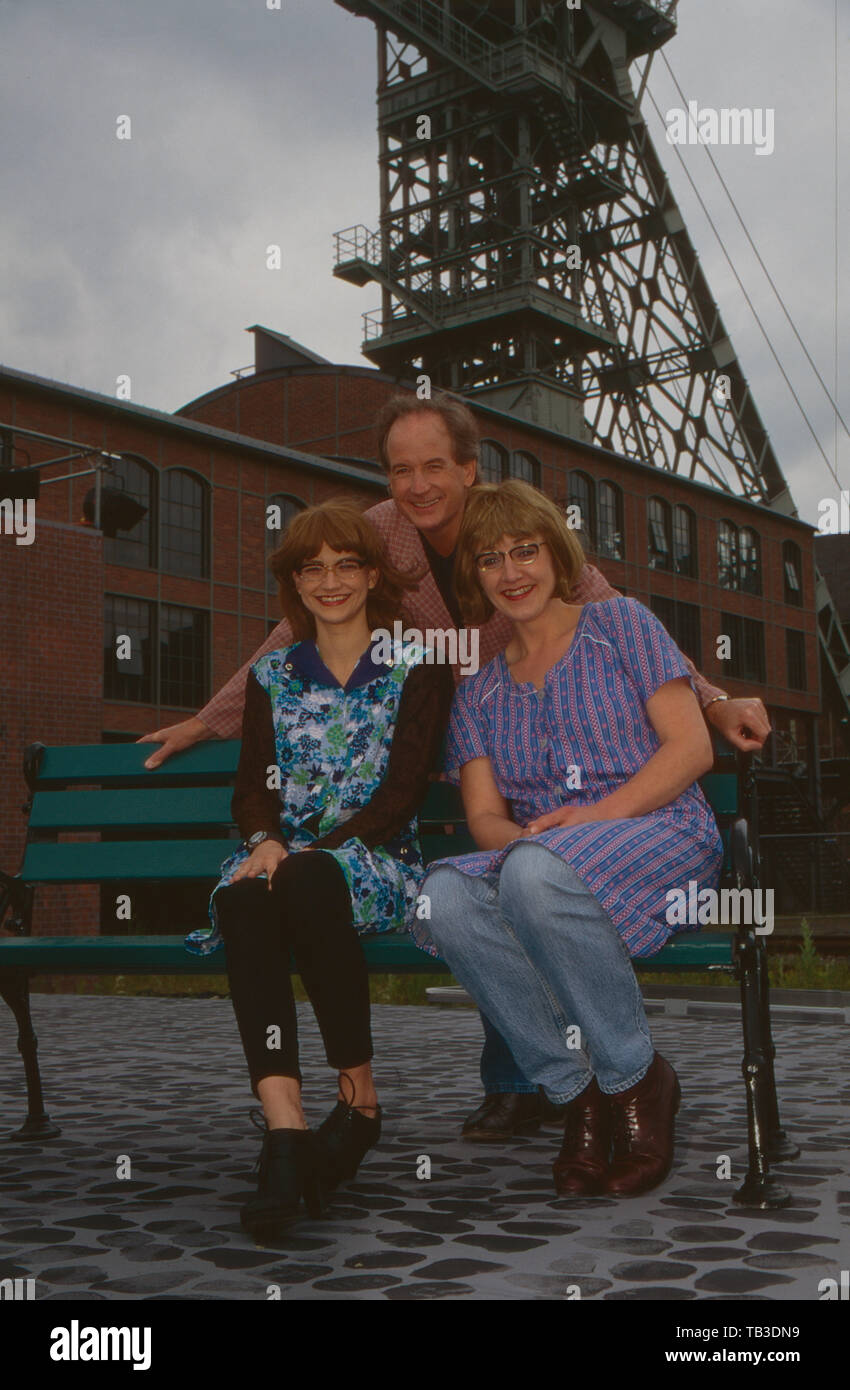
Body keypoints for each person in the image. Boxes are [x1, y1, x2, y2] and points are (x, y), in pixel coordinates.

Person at [140, 391, 771, 1140]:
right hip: (461, 729)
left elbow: (613, 613)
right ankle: (534, 1082)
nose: (418, 486)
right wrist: (210, 717)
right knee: (484, 875)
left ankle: (579, 1081)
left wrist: (713, 698)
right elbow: (297, 626)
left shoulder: (516, 529)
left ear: (469, 469)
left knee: (519, 876)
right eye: (400, 470)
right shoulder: (378, 532)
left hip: (527, 742)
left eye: (435, 465)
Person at [417, 480, 724, 1197]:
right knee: (442, 897)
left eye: (526, 550)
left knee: (533, 871)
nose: (511, 571)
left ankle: (638, 1081)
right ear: (475, 575)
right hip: (549, 855)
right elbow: (485, 816)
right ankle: (574, 1090)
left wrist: (593, 817)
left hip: (661, 832)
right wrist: (530, 840)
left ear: (558, 553)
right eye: (490, 558)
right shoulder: (480, 691)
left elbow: (691, 750)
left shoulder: (622, 626)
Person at [183, 500, 453, 1233]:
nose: (330, 581)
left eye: (346, 564)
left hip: (373, 860)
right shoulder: (273, 674)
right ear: (295, 584)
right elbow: (251, 785)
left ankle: (359, 1101)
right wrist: (265, 840)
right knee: (244, 895)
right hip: (287, 856)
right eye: (313, 568)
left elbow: (403, 792)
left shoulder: (415, 668)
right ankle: (286, 1131)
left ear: (371, 576)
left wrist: (312, 853)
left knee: (303, 878)